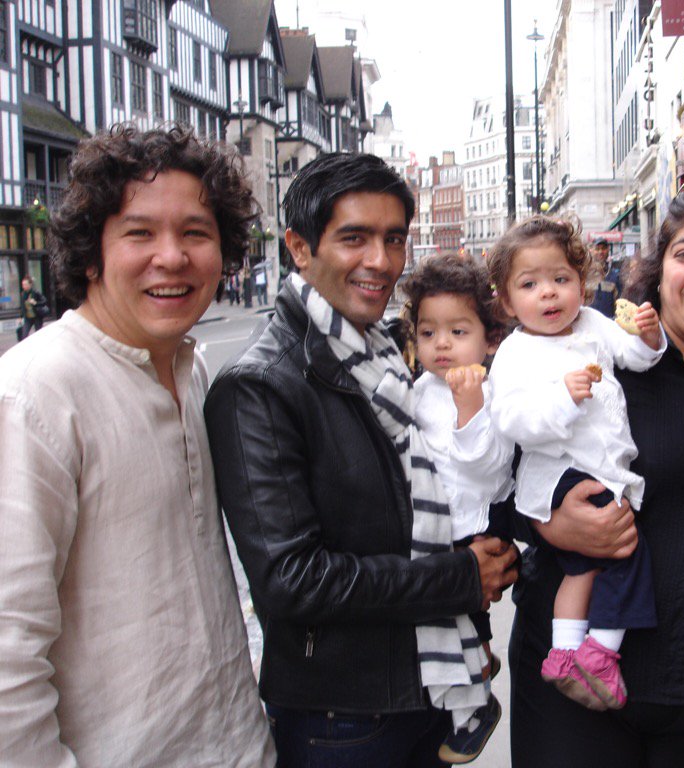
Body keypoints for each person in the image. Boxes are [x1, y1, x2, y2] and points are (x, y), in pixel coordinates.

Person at [204, 152, 519, 768]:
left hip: (423, 691)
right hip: (342, 719)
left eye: (393, 239)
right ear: (300, 247)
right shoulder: (260, 386)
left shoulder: (382, 357)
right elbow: (292, 579)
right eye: (354, 238)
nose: (381, 260)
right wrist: (458, 578)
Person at [0, 126, 275, 766]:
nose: (171, 257)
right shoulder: (35, 394)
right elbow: (8, 659)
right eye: (139, 232)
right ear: (92, 252)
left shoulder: (190, 369)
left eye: (196, 232)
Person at [507, 183, 684, 767]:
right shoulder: (597, 363)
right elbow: (489, 475)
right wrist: (544, 522)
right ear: (659, 271)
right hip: (576, 694)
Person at [486, 216, 667, 712]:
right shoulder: (516, 353)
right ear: (507, 302)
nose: (548, 293)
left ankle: (564, 652)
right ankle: (601, 651)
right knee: (627, 553)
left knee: (584, 568)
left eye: (561, 279)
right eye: (530, 285)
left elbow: (633, 356)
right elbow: (512, 421)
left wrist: (649, 338)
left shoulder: (593, 324)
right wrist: (563, 400)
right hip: (559, 472)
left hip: (601, 467)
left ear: (581, 284)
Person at [403, 253, 515, 763]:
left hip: (472, 527)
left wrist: (470, 410)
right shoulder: (418, 390)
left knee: (468, 620)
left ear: (490, 339)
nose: (441, 344)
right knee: (450, 628)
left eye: (457, 331)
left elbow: (491, 470)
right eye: (428, 333)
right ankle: (475, 675)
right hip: (432, 529)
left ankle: (478, 706)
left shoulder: (492, 391)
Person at [588, 236, 620, 317]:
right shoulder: (584, 275)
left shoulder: (615, 276)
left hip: (608, 321)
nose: (600, 252)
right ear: (591, 250)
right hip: (588, 321)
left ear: (608, 250)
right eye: (597, 249)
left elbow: (619, 302)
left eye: (603, 248)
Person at [17, 275, 47, 340]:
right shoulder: (23, 294)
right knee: (24, 335)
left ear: (30, 285)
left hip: (37, 316)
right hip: (28, 317)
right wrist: (20, 317)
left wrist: (36, 303)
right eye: (23, 285)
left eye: (25, 284)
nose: (24, 286)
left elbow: (44, 301)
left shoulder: (35, 292)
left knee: (38, 334)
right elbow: (22, 307)